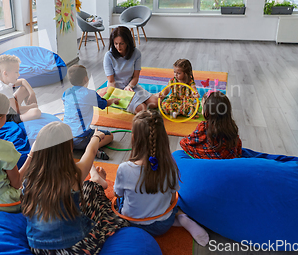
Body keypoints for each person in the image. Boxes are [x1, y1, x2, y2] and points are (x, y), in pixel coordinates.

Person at [21, 122, 129, 255]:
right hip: (72, 248)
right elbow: (91, 151)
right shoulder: (73, 174)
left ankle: (95, 177)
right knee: (91, 189)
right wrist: (96, 136)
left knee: (84, 189)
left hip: (38, 247)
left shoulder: (29, 177)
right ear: (69, 148)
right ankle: (96, 178)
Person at [113, 110, 209, 246]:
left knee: (121, 200)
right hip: (162, 226)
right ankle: (181, 218)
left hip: (130, 223)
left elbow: (117, 194)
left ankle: (177, 218)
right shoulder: (170, 165)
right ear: (164, 138)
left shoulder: (124, 168)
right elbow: (172, 196)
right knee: (174, 204)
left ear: (133, 138)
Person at [62, 64, 119, 160]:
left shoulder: (66, 93)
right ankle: (91, 148)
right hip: (81, 139)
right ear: (85, 79)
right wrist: (113, 100)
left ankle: (71, 149)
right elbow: (104, 104)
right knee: (109, 136)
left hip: (66, 139)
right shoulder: (90, 94)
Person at [101, 26, 158, 114]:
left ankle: (142, 99)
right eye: (115, 43)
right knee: (142, 108)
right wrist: (114, 96)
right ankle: (126, 103)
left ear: (128, 42)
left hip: (132, 87)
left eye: (122, 43)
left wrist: (129, 86)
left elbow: (135, 77)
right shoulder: (108, 56)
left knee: (155, 102)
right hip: (118, 90)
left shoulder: (136, 53)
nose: (118, 47)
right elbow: (111, 81)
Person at [180, 91, 242, 159]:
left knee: (179, 151)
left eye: (202, 106)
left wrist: (183, 141)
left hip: (209, 160)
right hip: (227, 160)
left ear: (207, 111)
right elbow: (238, 145)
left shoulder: (204, 126)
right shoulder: (231, 125)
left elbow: (187, 142)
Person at [0, 55, 41, 123]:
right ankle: (26, 112)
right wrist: (32, 107)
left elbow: (23, 81)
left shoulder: (5, 81)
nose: (19, 74)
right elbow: (16, 110)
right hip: (6, 116)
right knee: (36, 112)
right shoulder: (2, 88)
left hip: (9, 107)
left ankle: (27, 110)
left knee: (24, 88)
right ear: (5, 73)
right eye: (16, 72)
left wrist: (32, 93)